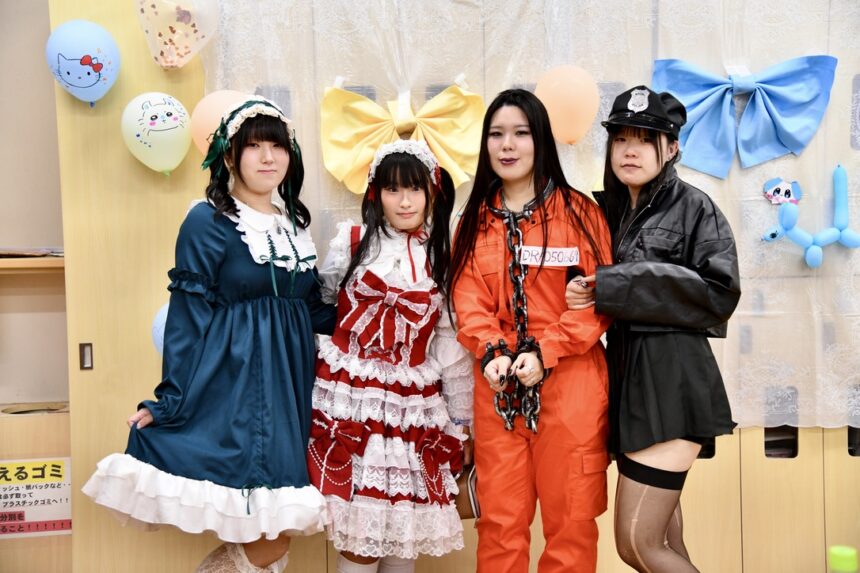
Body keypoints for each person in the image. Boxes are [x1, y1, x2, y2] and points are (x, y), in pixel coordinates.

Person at [82, 96, 336, 573]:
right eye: (254, 146)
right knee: (268, 530)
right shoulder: (208, 221)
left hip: (290, 390)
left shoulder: (294, 226)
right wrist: (169, 401)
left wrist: (375, 310)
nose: (268, 157)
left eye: (277, 147)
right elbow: (188, 317)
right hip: (237, 388)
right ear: (229, 155)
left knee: (275, 530)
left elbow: (309, 310)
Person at [565, 85, 741, 572]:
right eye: (621, 139)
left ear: (672, 148)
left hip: (672, 381)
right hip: (629, 385)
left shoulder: (695, 207)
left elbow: (719, 294)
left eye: (646, 139)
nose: (631, 150)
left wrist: (613, 284)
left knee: (638, 544)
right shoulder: (608, 210)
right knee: (664, 542)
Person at [450, 88, 613, 573]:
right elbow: (467, 300)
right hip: (498, 390)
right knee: (499, 527)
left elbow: (599, 301)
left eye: (520, 133)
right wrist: (492, 351)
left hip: (572, 389)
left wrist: (546, 351)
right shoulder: (472, 223)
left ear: (540, 140)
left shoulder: (581, 214)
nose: (507, 145)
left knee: (571, 526)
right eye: (496, 134)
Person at [310, 139, 473, 573]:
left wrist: (461, 424)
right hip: (350, 402)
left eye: (415, 189)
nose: (405, 201)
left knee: (403, 539)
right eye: (393, 189)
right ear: (375, 193)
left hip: (411, 408)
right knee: (360, 542)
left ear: (432, 192)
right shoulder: (350, 243)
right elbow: (322, 308)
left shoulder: (442, 255)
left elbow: (450, 346)